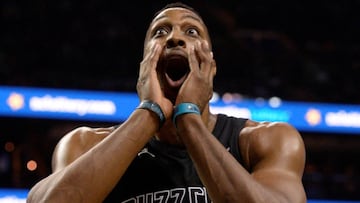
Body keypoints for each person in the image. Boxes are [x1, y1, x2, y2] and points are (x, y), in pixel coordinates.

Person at [27, 2, 306, 203]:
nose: (174, 37)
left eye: (192, 32)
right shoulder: (84, 144)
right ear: (145, 65)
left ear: (210, 66)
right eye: (160, 32)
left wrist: (188, 118)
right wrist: (149, 113)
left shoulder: (265, 140)